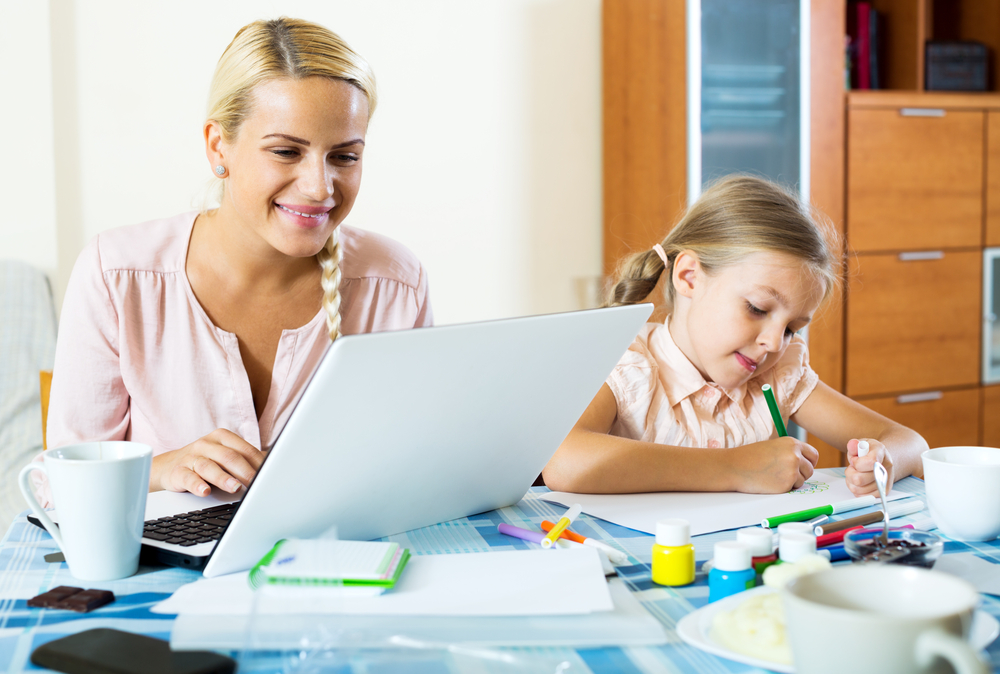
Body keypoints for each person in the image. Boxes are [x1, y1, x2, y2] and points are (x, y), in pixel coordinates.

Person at [39, 18, 432, 506]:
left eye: (345, 157)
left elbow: (419, 462)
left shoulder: (395, 284)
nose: (320, 187)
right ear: (217, 146)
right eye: (287, 151)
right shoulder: (117, 275)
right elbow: (58, 486)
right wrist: (162, 469)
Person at [542, 175, 926, 496]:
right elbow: (563, 461)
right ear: (689, 276)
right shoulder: (630, 363)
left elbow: (909, 442)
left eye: (792, 329)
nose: (775, 343)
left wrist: (882, 460)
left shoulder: (777, 377)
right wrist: (735, 469)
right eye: (757, 309)